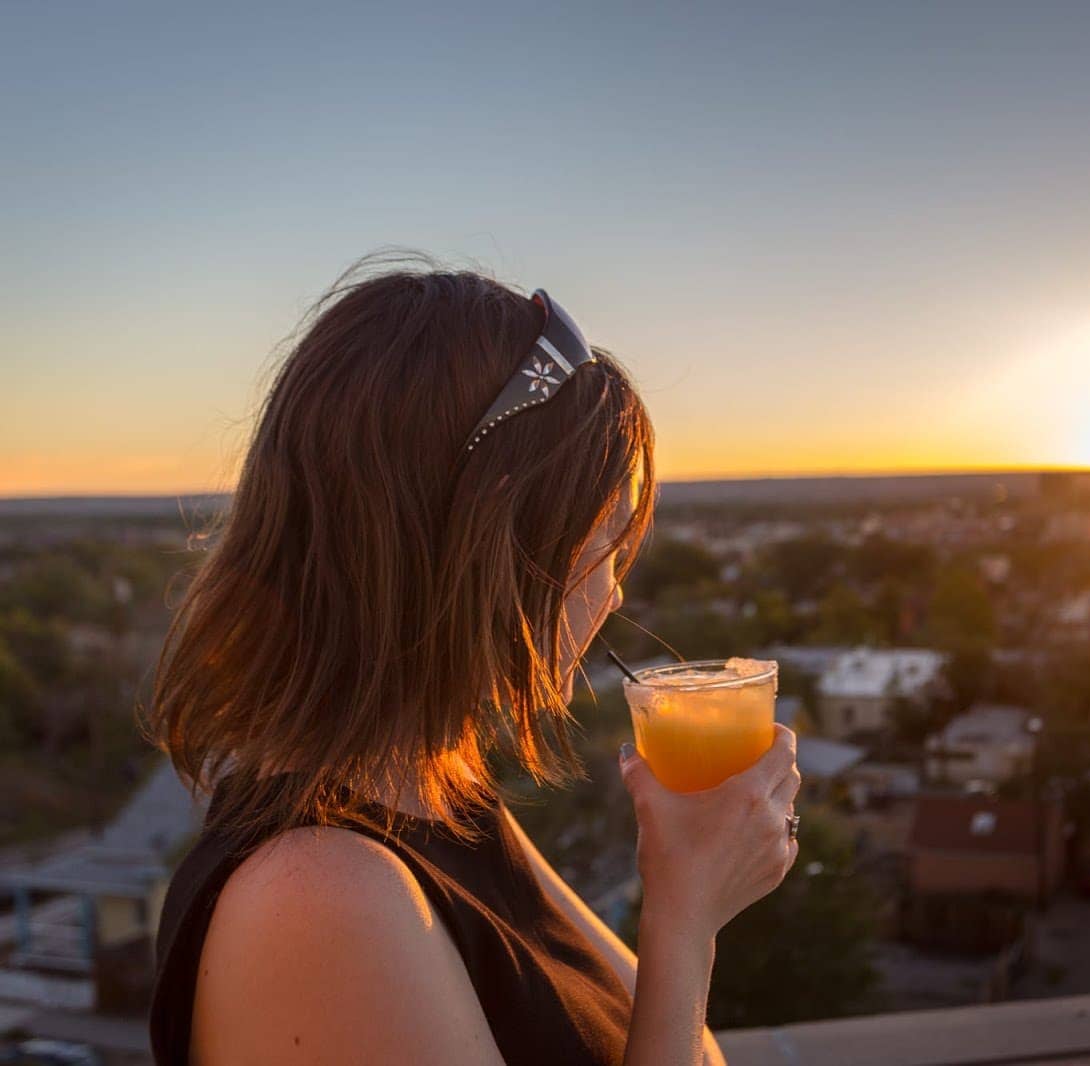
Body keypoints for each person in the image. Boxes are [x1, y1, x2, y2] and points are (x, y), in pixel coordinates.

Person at [143, 254, 801, 1066]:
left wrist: (686, 896)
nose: (617, 597)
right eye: (607, 543)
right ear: (490, 546)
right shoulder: (318, 899)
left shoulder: (440, 797)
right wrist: (685, 918)